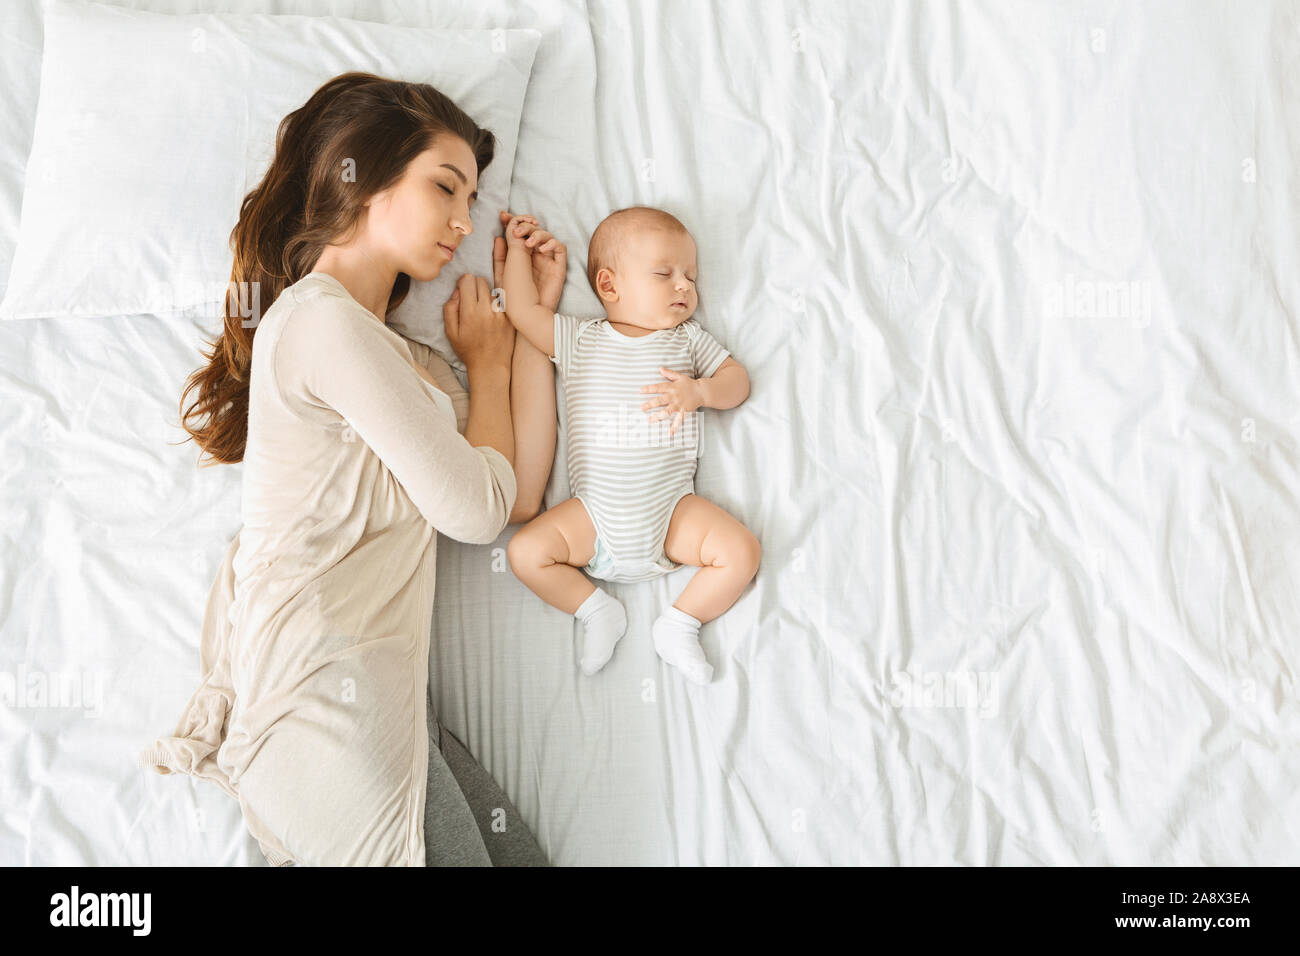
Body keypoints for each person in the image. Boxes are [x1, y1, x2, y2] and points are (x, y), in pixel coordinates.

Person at [137, 72, 566, 866]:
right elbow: (475, 506)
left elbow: (514, 494)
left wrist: (522, 322)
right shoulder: (315, 320)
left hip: (382, 715)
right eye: (446, 187)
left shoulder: (409, 363)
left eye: (472, 199)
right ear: (361, 175)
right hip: (323, 720)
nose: (464, 221)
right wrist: (493, 366)